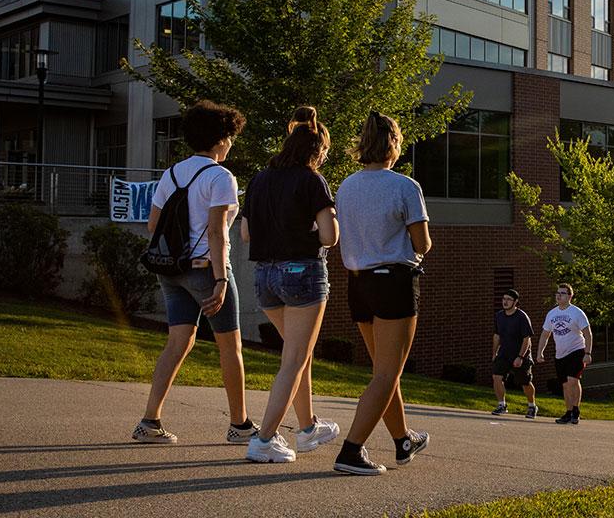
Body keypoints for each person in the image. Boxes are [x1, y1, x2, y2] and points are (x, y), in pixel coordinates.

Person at [133, 100, 257, 445]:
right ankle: (240, 425)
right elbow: (218, 232)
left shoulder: (171, 173)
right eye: (230, 137)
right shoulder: (221, 177)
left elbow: (152, 225)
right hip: (206, 271)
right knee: (230, 347)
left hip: (170, 271)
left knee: (178, 343)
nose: (231, 143)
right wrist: (220, 280)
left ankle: (150, 420)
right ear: (220, 140)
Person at [332, 112, 432, 476]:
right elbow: (422, 242)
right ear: (394, 143)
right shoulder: (405, 186)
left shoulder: (346, 186)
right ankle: (351, 450)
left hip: (358, 283)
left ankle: (403, 440)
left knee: (384, 371)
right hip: (394, 282)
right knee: (386, 374)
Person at [243, 107, 341, 464]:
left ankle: (307, 427)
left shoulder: (259, 179)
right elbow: (329, 237)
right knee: (294, 360)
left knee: (298, 355)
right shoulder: (312, 180)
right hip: (301, 274)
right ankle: (264, 439)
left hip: (264, 277)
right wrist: (317, 227)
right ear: (315, 150)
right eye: (325, 152)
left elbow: (245, 232)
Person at [536, 283, 593, 425]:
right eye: (557, 293)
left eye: (562, 293)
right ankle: (568, 412)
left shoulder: (577, 313)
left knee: (573, 380)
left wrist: (588, 352)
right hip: (560, 354)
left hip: (577, 350)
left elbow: (588, 334)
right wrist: (539, 352)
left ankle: (576, 410)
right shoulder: (552, 313)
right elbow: (545, 334)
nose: (558, 295)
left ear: (570, 296)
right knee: (566, 384)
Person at [491, 289, 538, 419]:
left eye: (509, 299)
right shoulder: (499, 315)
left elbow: (527, 339)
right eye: (504, 299)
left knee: (525, 382)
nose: (505, 302)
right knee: (497, 377)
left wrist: (520, 357)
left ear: (515, 302)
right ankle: (502, 405)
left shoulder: (522, 317)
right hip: (504, 353)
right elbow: (497, 335)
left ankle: (532, 406)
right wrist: (494, 353)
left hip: (520, 355)